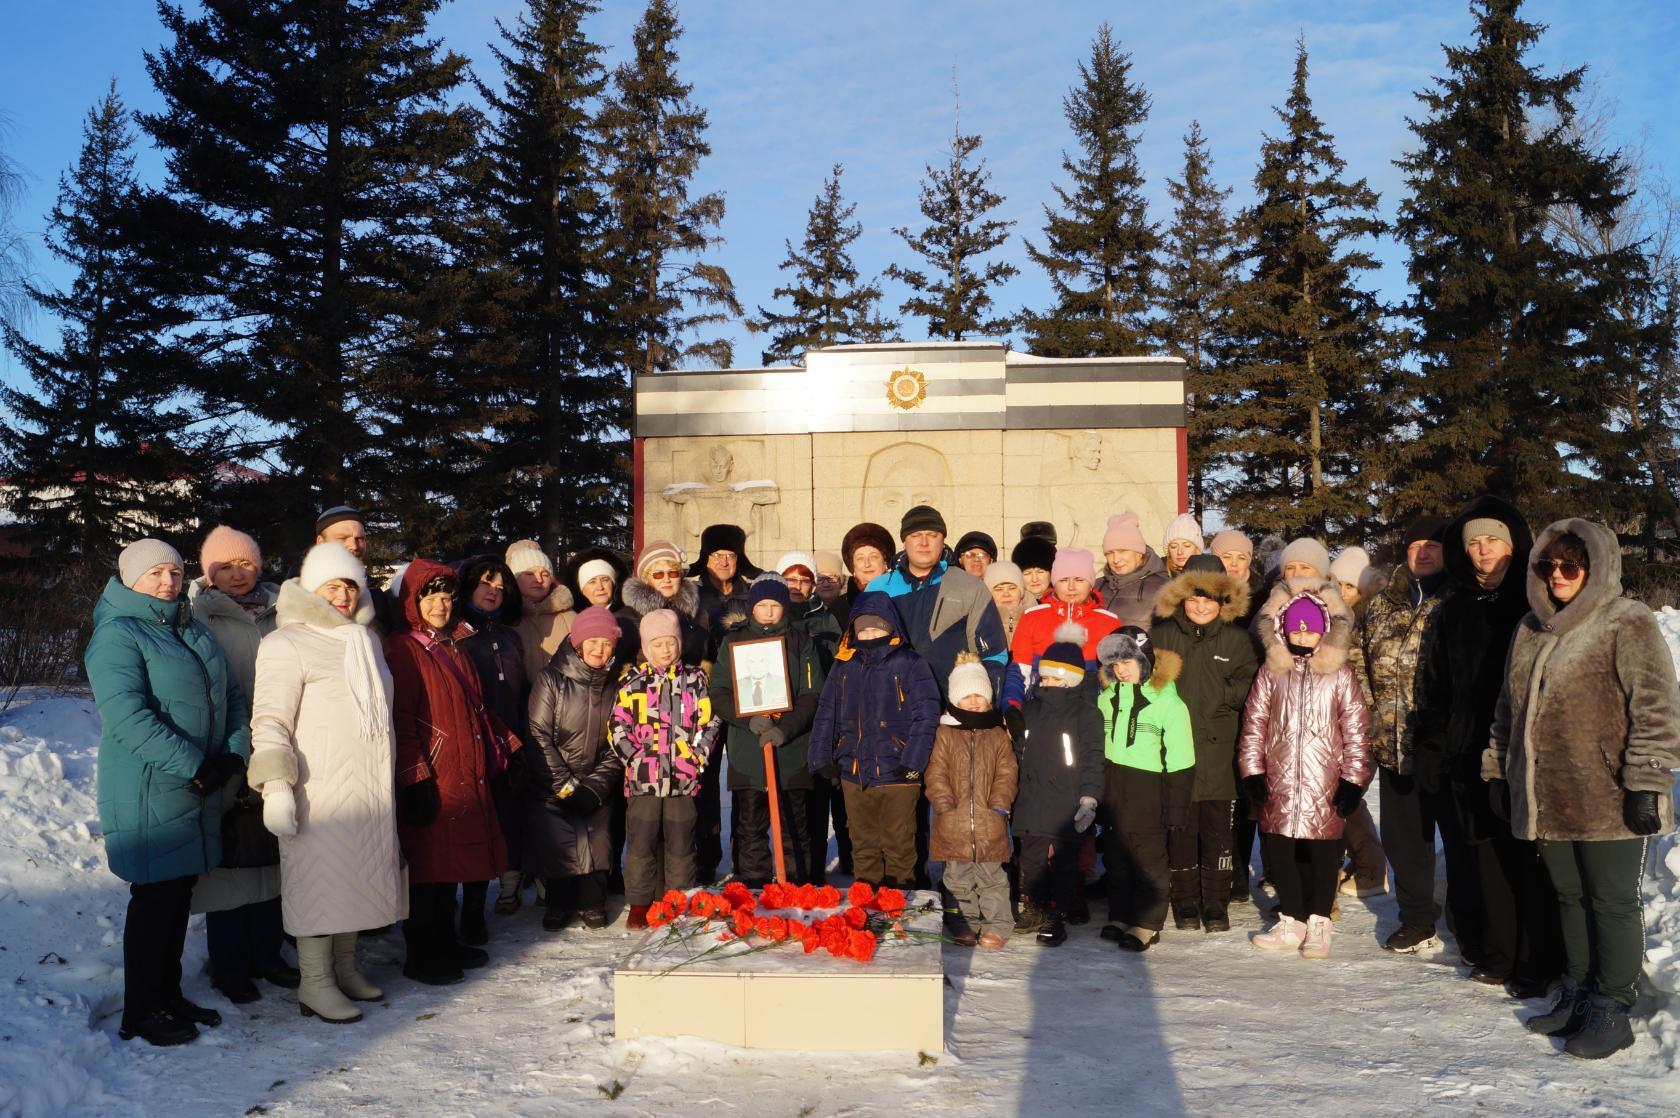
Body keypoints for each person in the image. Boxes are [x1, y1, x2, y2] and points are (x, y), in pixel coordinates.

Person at [1483, 519, 1680, 1059]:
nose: (1559, 576)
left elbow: (1657, 708)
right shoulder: (1529, 628)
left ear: (1596, 569)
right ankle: (1578, 988)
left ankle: (1612, 1006)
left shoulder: (1626, 621)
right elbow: (1508, 709)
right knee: (1567, 895)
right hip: (1548, 797)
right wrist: (1499, 770)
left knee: (1611, 901)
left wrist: (1646, 780)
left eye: (1571, 566)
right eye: (1549, 566)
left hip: (1609, 794)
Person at [87, 540, 250, 1046]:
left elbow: (234, 697)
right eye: (155, 573)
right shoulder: (117, 635)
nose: (167, 582)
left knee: (177, 896)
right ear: (130, 578)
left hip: (196, 785)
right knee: (154, 901)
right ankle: (140, 1009)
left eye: (175, 573)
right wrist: (194, 763)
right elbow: (128, 717)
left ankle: (168, 995)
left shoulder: (190, 627)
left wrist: (231, 754)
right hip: (149, 787)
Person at [248, 543, 403, 1023]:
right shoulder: (285, 642)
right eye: (332, 585)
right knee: (318, 883)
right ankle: (315, 983)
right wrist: (275, 787)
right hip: (317, 789)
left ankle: (344, 967)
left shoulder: (366, 640)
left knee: (354, 879)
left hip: (369, 787)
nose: (342, 593)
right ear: (312, 588)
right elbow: (269, 720)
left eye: (350, 584)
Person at [1419, 498, 1563, 997]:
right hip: (1465, 754)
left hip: (1521, 752)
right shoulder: (1453, 607)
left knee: (1526, 857)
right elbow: (1434, 684)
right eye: (1475, 541)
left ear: (1513, 544)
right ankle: (1496, 952)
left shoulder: (1534, 603)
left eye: (1493, 540)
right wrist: (1434, 744)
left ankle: (1537, 960)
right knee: (1482, 858)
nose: (1484, 549)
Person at [387, 560, 514, 984]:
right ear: (413, 601)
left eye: (447, 596)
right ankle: (421, 953)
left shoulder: (454, 644)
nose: (441, 604)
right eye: (431, 596)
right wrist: (415, 776)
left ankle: (445, 940)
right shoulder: (404, 648)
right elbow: (402, 719)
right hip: (434, 772)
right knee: (428, 870)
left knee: (450, 868)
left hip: (462, 768)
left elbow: (473, 707)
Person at [185, 526, 292, 1004]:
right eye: (224, 566)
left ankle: (268, 954)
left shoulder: (283, 611)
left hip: (279, 744)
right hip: (225, 747)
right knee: (228, 861)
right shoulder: (196, 615)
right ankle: (229, 964)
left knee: (270, 857)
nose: (236, 574)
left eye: (245, 564)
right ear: (208, 572)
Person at [1239, 586, 1372, 959]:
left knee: (1322, 853)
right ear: (1282, 630)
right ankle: (1292, 917)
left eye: (1309, 630)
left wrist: (1352, 780)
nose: (1302, 636)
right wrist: (1252, 772)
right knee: (1280, 850)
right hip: (1279, 780)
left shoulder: (1340, 674)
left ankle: (1318, 920)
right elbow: (1255, 723)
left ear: (1324, 630)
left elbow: (1357, 730)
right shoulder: (1271, 673)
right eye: (1294, 630)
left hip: (1324, 782)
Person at [1365, 515, 1463, 956]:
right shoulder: (1382, 604)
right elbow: (1357, 664)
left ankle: (1466, 915)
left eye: (1434, 545)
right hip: (1393, 744)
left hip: (1446, 748)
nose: (1423, 552)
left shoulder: (1459, 599)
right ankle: (1417, 919)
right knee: (1405, 842)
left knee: (1459, 838)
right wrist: (1370, 718)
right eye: (1415, 545)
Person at [1149, 554, 1259, 935]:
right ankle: (1185, 904)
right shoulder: (1162, 636)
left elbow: (1251, 684)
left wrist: (1223, 693)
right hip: (1173, 754)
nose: (1200, 606)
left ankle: (1216, 904)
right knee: (1179, 831)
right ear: (1181, 598)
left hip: (1218, 753)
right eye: (1193, 599)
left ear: (1223, 602)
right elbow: (1147, 686)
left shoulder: (1238, 640)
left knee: (1218, 835)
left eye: (1209, 599)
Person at [808, 592, 940, 888]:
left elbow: (927, 714)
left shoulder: (910, 662)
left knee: (900, 843)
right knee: (862, 843)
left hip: (897, 772)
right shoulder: (845, 664)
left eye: (876, 627)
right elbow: (827, 711)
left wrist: (913, 761)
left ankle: (900, 905)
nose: (870, 634)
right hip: (854, 772)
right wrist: (821, 756)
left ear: (891, 627)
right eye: (863, 629)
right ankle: (867, 904)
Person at [608, 608, 721, 929]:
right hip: (644, 779)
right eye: (657, 643)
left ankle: (677, 899)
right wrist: (634, 759)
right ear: (646, 647)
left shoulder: (695, 680)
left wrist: (696, 757)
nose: (665, 649)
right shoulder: (632, 683)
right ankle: (640, 903)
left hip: (683, 778)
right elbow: (617, 725)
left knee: (681, 843)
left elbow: (709, 722)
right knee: (641, 844)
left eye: (670, 642)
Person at [712, 575, 825, 885]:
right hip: (747, 749)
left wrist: (785, 729)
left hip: (790, 750)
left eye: (775, 605)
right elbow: (719, 691)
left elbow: (812, 694)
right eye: (762, 605)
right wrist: (747, 719)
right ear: (752, 608)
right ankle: (753, 883)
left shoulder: (801, 641)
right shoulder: (733, 640)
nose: (769, 612)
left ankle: (794, 883)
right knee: (750, 823)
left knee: (793, 822)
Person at [620, 540, 717, 879]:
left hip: (688, 724)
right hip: (646, 733)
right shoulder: (628, 617)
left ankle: (689, 880)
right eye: (657, 572)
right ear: (644, 576)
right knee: (645, 824)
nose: (665, 578)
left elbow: (712, 658)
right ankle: (647, 889)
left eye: (672, 572)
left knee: (687, 820)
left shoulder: (698, 613)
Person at [1095, 627, 1194, 952]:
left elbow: (1181, 759)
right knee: (1117, 857)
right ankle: (1122, 914)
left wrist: (1176, 807)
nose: (1121, 669)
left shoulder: (1168, 703)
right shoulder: (1106, 700)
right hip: (1114, 790)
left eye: (1128, 661)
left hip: (1149, 794)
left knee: (1148, 861)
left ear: (1146, 660)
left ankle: (1148, 922)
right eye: (1115, 663)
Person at [525, 606, 624, 930]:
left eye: (606, 643)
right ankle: (558, 902)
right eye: (592, 641)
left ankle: (592, 901)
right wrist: (567, 787)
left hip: (595, 783)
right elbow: (538, 735)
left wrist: (594, 788)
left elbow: (619, 742)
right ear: (578, 643)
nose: (598, 649)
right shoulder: (551, 679)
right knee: (559, 840)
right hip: (554, 783)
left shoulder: (615, 683)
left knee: (598, 839)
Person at [1009, 631, 1103, 947]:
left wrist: (1089, 798)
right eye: (1046, 676)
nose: (1049, 682)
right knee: (1032, 860)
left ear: (1072, 680)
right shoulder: (1030, 709)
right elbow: (1018, 752)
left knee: (1064, 862)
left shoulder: (1086, 712)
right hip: (1032, 797)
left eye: (1057, 678)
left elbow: (1092, 757)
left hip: (1066, 799)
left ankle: (1057, 913)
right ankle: (1035, 906)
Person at [455, 556, 531, 927]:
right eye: (487, 583)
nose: (493, 592)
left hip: (513, 738)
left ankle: (511, 884)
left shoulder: (510, 635)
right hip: (476, 740)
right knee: (479, 820)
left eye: (500, 587)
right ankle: (473, 902)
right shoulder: (458, 634)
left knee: (513, 812)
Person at [926, 654, 1018, 949]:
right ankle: (965, 923)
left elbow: (1007, 771)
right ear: (955, 698)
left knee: (992, 877)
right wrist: (943, 802)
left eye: (979, 694)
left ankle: (998, 924)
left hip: (990, 818)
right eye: (967, 696)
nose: (974, 701)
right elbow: (936, 771)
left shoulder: (997, 733)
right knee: (957, 878)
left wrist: (1000, 803)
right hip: (953, 821)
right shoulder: (945, 733)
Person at [1327, 546, 1387, 902]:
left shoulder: (1367, 621)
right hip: (1331, 721)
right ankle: (1349, 862)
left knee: (1348, 797)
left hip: (1362, 722)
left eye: (1351, 585)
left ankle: (1370, 868)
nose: (1343, 591)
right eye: (1338, 582)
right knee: (1333, 794)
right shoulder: (1333, 616)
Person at [1003, 548, 1122, 711]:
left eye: (1079, 580)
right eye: (1064, 580)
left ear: (1090, 583)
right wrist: (1012, 707)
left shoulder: (1109, 622)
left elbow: (1118, 677)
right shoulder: (1033, 617)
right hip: (1040, 708)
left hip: (1091, 712)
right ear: (1054, 582)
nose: (1071, 587)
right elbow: (1019, 671)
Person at [314, 506, 398, 630]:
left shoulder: (377, 598)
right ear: (321, 542)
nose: (354, 546)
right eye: (342, 538)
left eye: (360, 539)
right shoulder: (299, 593)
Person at [505, 539, 576, 682]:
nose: (538, 579)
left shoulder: (571, 618)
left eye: (545, 574)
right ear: (514, 578)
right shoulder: (504, 617)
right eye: (529, 574)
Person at [1094, 513, 1169, 631]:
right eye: (1109, 553)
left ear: (1139, 553)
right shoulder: (1096, 586)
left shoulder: (1163, 588)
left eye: (1122, 551)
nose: (1116, 560)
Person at [690, 522, 760, 649]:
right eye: (717, 555)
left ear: (738, 560)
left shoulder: (754, 595)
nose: (724, 563)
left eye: (730, 556)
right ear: (706, 559)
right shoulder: (691, 595)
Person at [839, 521, 895, 621]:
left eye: (873, 557)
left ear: (885, 562)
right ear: (853, 566)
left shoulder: (901, 596)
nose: (867, 564)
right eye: (860, 558)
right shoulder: (839, 606)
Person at [1211, 529, 1264, 628]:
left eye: (1241, 558)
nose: (1234, 563)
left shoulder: (1262, 598)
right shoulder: (1203, 594)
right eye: (1227, 557)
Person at [983, 560, 1027, 646]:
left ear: (1021, 592)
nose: (1006, 594)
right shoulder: (981, 623)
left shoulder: (1037, 619)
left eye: (1012, 588)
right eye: (999, 589)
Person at [1009, 532, 1056, 605]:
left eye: (1040, 572)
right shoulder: (1011, 603)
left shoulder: (1063, 603)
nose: (1035, 579)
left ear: (1051, 573)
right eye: (1027, 573)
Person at [1162, 514, 1204, 579]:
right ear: (1168, 551)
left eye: (1187, 546)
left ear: (1197, 549)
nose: (1180, 552)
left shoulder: (1210, 576)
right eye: (1174, 546)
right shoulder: (1157, 578)